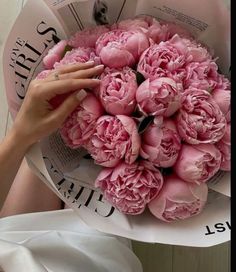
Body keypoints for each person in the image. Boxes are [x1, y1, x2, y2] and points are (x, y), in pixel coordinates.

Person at [0, 62, 143, 272]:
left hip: (17, 243)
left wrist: (20, 136)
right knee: (115, 162)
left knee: (51, 136)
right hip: (89, 263)